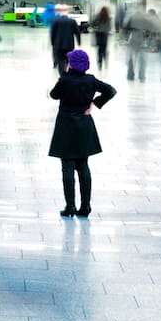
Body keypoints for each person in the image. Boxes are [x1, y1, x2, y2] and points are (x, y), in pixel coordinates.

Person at [50, 48, 117, 217]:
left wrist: (63, 77)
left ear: (71, 64)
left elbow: (53, 95)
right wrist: (95, 102)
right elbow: (111, 91)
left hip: (66, 126)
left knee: (67, 166)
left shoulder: (65, 81)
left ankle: (70, 206)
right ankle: (85, 206)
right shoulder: (91, 80)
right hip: (84, 125)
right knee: (83, 165)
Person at [49, 6, 83, 74]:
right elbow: (77, 32)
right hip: (69, 44)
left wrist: (52, 43)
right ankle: (67, 72)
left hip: (58, 44)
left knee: (60, 60)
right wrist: (79, 42)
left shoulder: (56, 21)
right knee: (68, 59)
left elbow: (52, 33)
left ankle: (62, 74)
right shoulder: (72, 21)